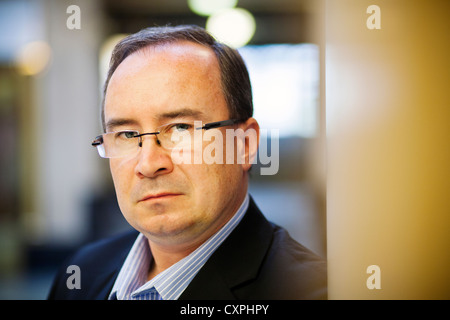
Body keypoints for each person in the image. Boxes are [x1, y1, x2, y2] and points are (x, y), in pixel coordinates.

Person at [47, 25, 327, 300]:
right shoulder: (81, 273)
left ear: (244, 145)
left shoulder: (312, 291)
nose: (148, 164)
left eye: (180, 128)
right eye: (128, 134)